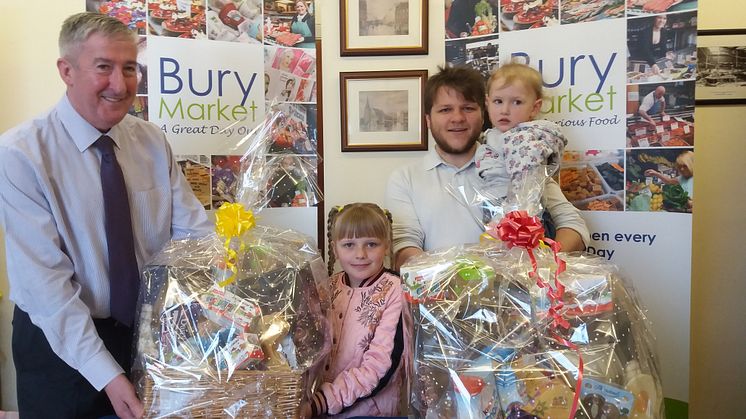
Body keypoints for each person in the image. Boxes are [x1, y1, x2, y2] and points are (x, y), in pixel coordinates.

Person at [0, 12, 213, 419]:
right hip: (57, 345)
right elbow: (48, 290)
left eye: (129, 68)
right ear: (66, 70)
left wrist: (222, 306)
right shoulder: (20, 155)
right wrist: (109, 376)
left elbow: (194, 238)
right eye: (104, 68)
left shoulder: (151, 141)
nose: (120, 84)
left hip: (144, 336)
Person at [385, 66, 589, 269]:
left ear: (484, 114)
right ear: (428, 120)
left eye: (468, 108)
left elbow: (574, 227)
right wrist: (457, 281)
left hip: (518, 295)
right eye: (445, 109)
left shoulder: (518, 160)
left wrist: (538, 263)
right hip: (441, 297)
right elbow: (403, 248)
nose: (457, 118)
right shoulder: (405, 178)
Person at [301, 203, 409, 418]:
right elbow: (308, 345)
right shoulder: (327, 287)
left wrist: (320, 402)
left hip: (370, 412)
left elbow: (381, 366)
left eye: (371, 244)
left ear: (386, 245)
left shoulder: (396, 291)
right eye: (349, 244)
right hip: (318, 409)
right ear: (335, 248)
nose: (360, 254)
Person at [476, 62, 567, 205]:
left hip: (520, 217)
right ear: (488, 103)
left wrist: (514, 218)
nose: (504, 110)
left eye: (517, 102)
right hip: (497, 210)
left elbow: (526, 189)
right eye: (498, 101)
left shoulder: (524, 139)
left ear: (534, 108)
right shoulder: (491, 135)